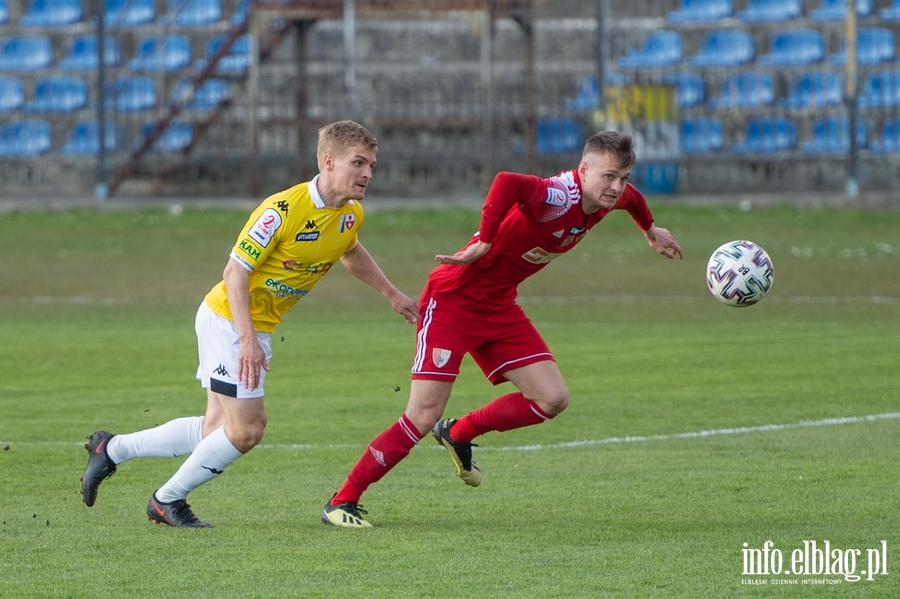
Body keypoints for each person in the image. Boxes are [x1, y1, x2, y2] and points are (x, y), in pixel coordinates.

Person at [321, 130, 683, 527]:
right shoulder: (557, 197)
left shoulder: (609, 197)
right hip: (452, 301)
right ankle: (342, 502)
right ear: (583, 170)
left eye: (624, 178)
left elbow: (633, 201)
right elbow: (506, 182)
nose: (617, 187)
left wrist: (649, 230)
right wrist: (485, 240)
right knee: (421, 415)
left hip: (498, 306)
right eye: (609, 176)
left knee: (552, 398)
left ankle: (458, 432)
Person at [80, 120, 420, 528]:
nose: (367, 173)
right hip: (228, 320)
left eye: (372, 165)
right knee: (247, 429)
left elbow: (350, 252)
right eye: (358, 163)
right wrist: (247, 340)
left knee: (215, 429)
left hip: (250, 326)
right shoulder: (282, 210)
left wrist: (391, 293)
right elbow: (234, 273)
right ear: (329, 162)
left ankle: (111, 448)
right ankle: (166, 500)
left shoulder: (349, 215)